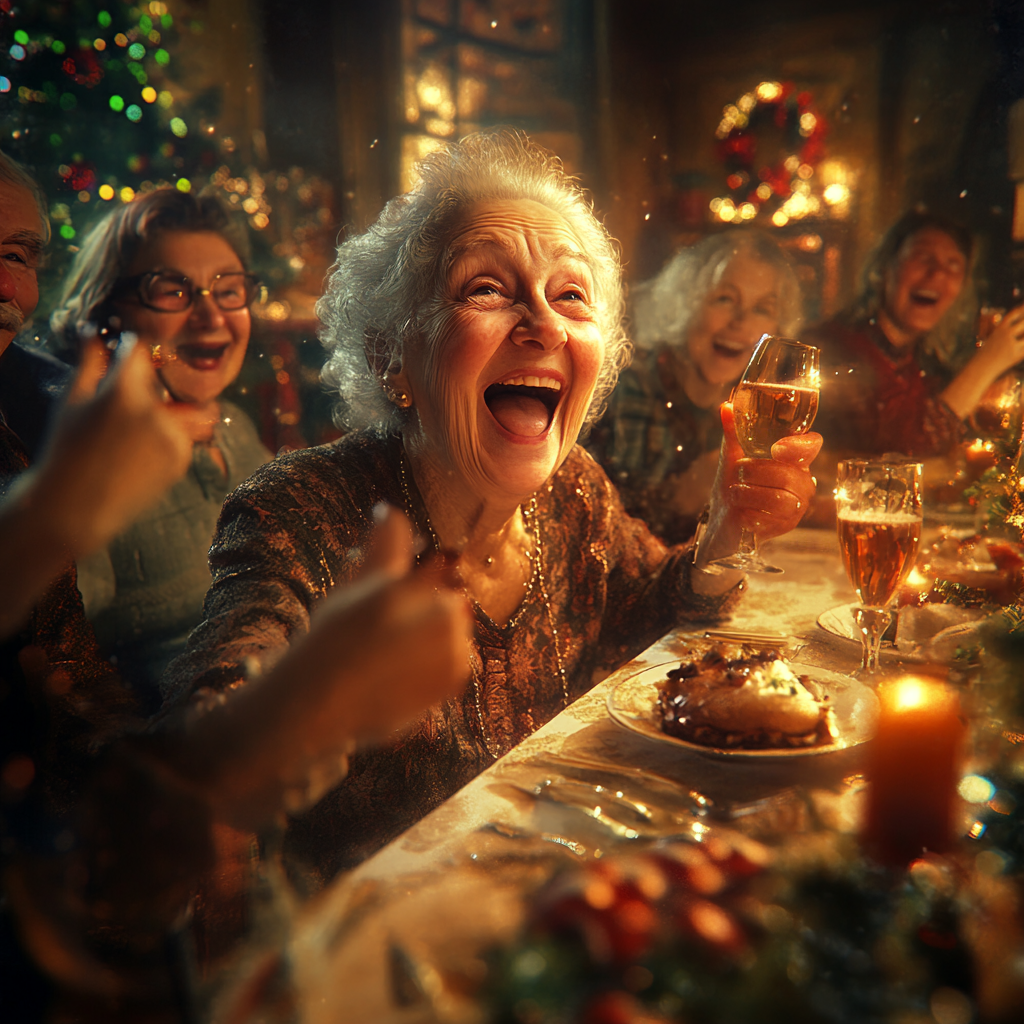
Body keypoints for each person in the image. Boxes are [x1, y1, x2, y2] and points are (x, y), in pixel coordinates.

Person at [162, 129, 821, 887]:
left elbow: (655, 604)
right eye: (486, 289)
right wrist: (315, 700)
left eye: (570, 295)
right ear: (391, 355)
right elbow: (201, 745)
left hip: (557, 899)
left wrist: (727, 529)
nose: (543, 324)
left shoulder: (573, 487)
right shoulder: (300, 511)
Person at [48, 189, 272, 707]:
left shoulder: (236, 428)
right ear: (108, 314)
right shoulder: (89, 453)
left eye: (229, 289)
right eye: (172, 290)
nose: (210, 316)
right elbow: (61, 651)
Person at [589, 231, 803, 544]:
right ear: (683, 305)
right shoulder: (624, 386)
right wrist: (688, 492)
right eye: (725, 299)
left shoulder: (754, 406)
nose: (741, 322)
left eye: (762, 309)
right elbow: (598, 528)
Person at [810, 209, 1024, 463]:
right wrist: (987, 363)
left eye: (953, 265)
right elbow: (897, 457)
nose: (938, 274)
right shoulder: (832, 349)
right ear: (885, 268)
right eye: (922, 257)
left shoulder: (927, 369)